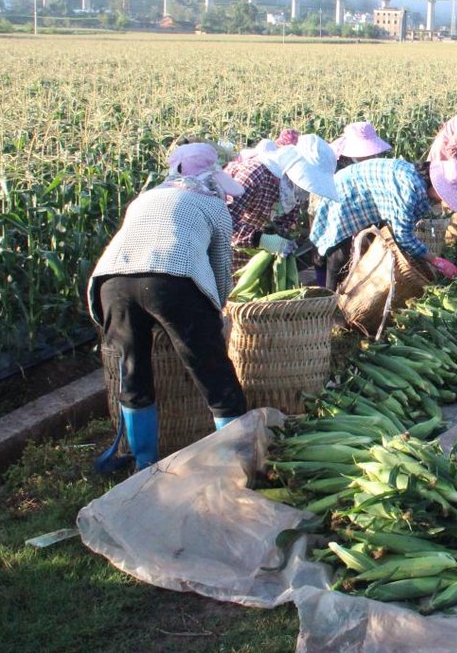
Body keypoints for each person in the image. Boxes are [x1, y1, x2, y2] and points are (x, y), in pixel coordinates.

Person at [87, 142, 250, 470]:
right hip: (172, 281)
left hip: (112, 280)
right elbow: (220, 270)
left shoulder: (144, 198)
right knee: (211, 369)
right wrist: (216, 314)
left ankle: (143, 463)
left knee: (133, 369)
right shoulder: (212, 205)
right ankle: (235, 461)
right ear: (213, 177)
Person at [310, 158, 457, 290]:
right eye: (443, 194)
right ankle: (328, 300)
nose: (441, 199)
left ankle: (341, 284)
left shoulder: (417, 179)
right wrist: (434, 260)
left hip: (361, 189)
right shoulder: (411, 189)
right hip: (347, 193)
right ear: (435, 184)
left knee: (363, 246)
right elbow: (403, 235)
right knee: (337, 255)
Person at [223, 134, 339, 264]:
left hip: (256, 259)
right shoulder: (254, 174)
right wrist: (262, 240)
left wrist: (284, 238)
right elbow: (221, 221)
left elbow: (287, 221)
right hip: (227, 256)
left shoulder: (292, 189)